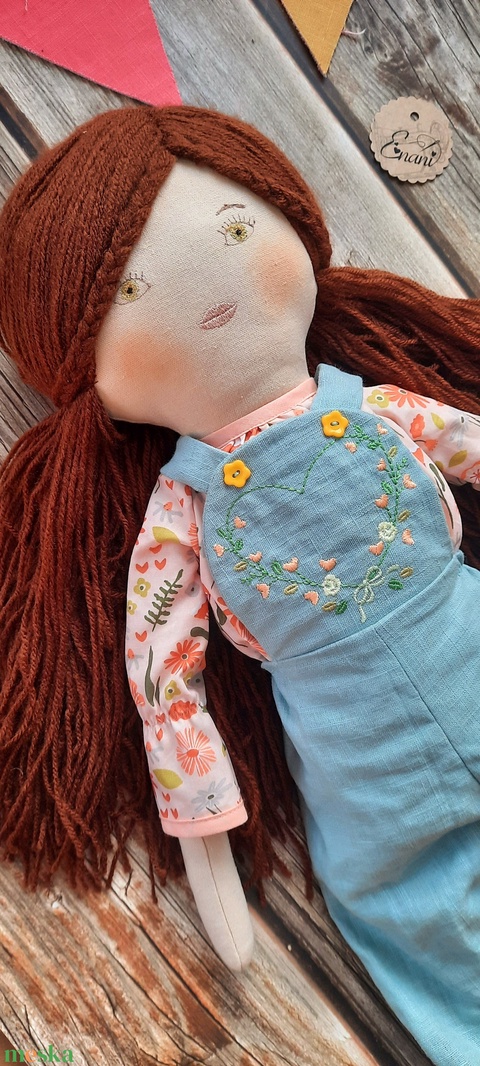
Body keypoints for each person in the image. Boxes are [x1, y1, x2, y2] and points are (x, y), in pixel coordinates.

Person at [0, 106, 479, 1064]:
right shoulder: (180, 513)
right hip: (362, 769)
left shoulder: (380, 407)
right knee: (412, 907)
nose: (209, 286)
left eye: (234, 232)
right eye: (132, 291)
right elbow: (162, 676)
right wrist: (204, 823)